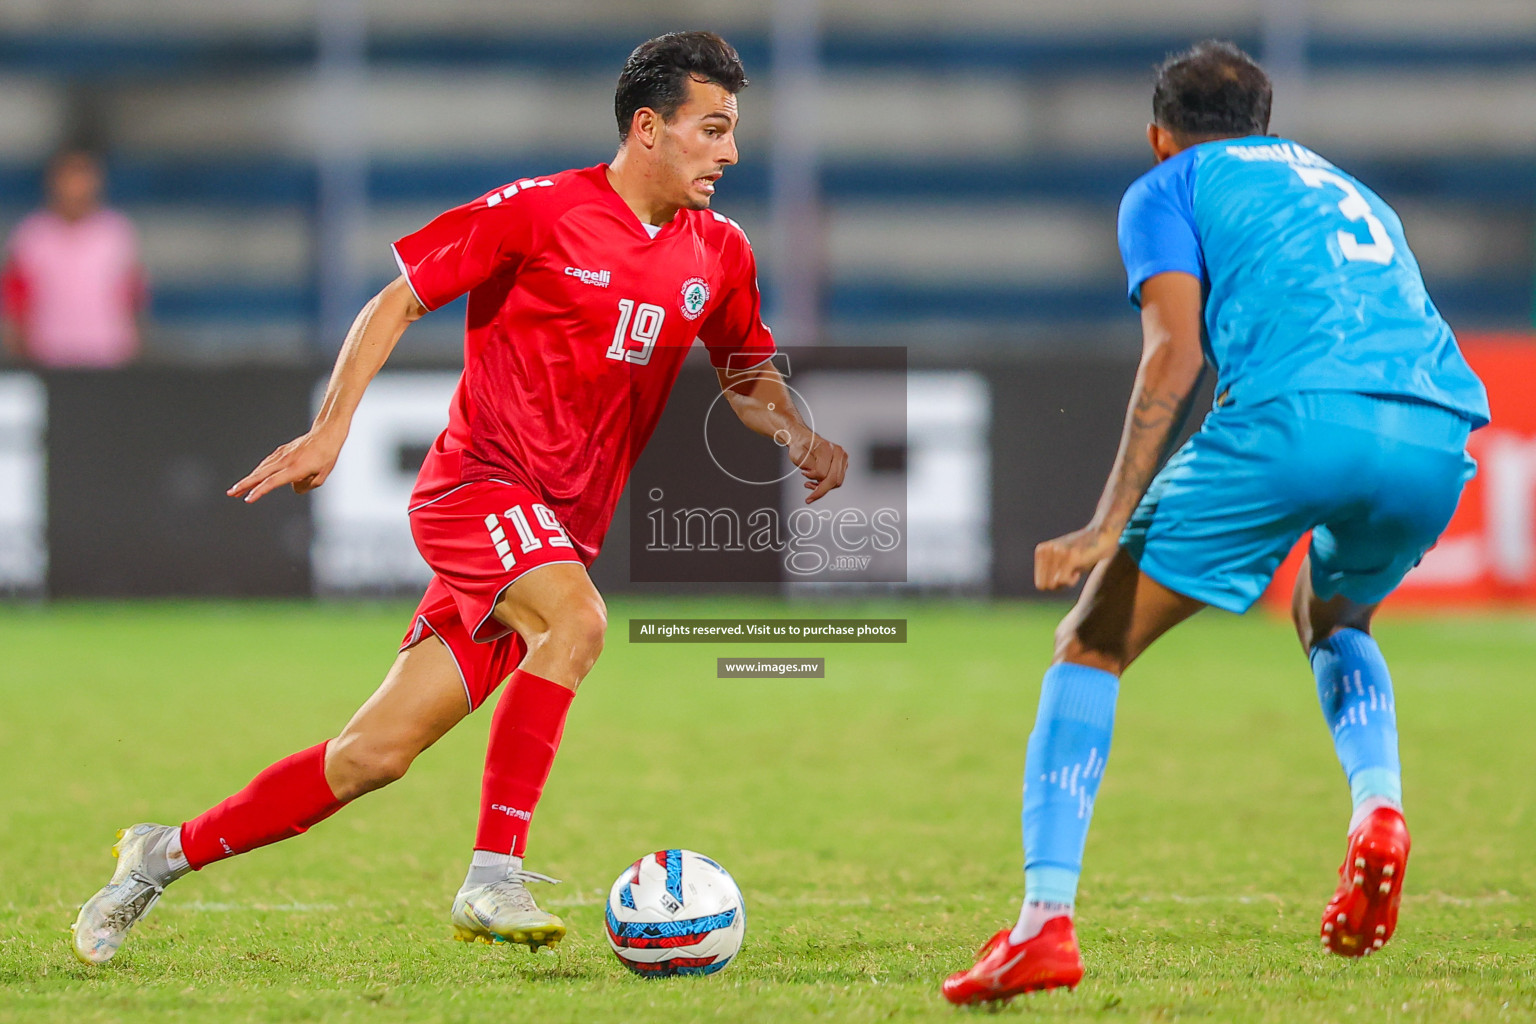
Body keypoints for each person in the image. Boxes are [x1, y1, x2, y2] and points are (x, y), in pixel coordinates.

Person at [71, 30, 848, 965]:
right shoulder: (540, 211)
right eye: (712, 129)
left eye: (733, 131)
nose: (730, 152)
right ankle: (494, 875)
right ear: (649, 128)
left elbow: (744, 370)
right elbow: (395, 299)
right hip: (475, 490)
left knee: (371, 757)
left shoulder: (718, 251)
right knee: (581, 623)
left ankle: (159, 855)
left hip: (556, 528)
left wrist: (795, 430)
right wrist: (331, 427)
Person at [942, 40, 1489, 1004]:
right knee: (1334, 618)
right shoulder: (1348, 187)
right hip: (1435, 430)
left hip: (1294, 419)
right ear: (1265, 124)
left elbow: (1174, 352)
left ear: (1160, 136)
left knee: (1090, 645)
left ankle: (1042, 924)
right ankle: (1381, 807)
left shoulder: (1170, 185)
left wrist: (1108, 519)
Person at [1, 149, 146, 367]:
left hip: (107, 353)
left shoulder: (115, 232)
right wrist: (21, 346)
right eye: (69, 176)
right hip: (47, 354)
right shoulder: (32, 234)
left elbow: (132, 295)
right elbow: (17, 298)